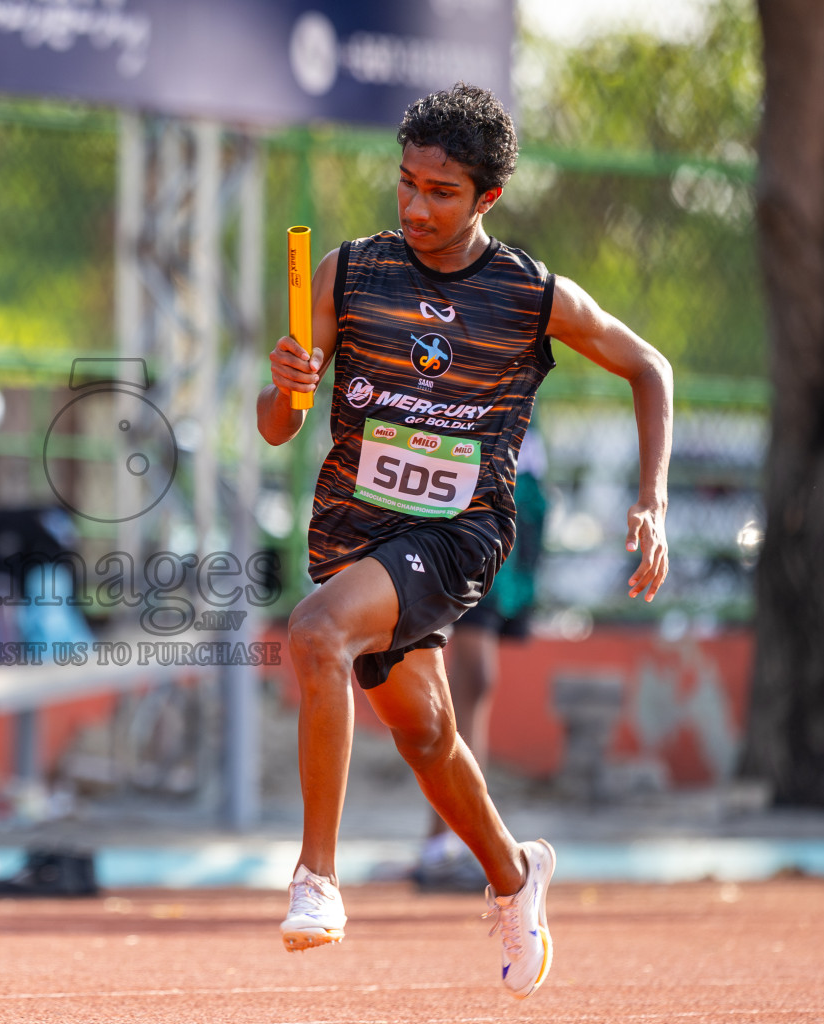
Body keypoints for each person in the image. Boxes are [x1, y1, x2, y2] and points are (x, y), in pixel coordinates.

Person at [257, 84, 671, 999]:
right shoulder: (347, 272)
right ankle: (516, 875)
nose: (416, 205)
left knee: (317, 632)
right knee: (427, 735)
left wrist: (652, 499)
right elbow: (279, 427)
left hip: (458, 531)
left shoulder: (529, 293)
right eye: (407, 182)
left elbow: (650, 366)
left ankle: (316, 878)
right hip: (354, 529)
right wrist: (287, 385)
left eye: (441, 192)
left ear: (488, 197)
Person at [413, 428, 545, 892]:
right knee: (469, 671)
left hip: (516, 486)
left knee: (477, 676)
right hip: (465, 480)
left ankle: (453, 841)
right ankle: (447, 842)